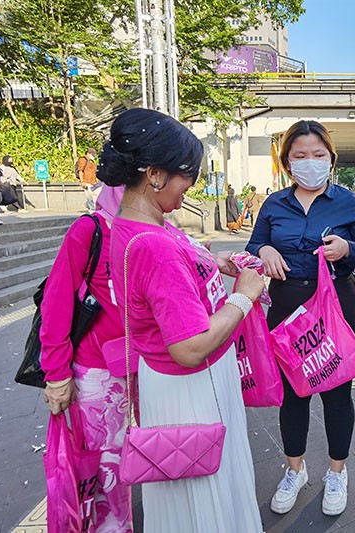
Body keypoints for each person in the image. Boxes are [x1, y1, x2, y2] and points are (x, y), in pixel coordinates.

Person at [100, 108, 265, 533]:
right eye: (186, 175)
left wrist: (212, 262)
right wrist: (244, 298)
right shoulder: (154, 244)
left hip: (180, 382)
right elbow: (189, 347)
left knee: (194, 493)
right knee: (204, 496)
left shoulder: (142, 224)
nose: (190, 186)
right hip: (191, 386)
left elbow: (168, 281)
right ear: (154, 174)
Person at [246, 120, 355, 518]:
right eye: (300, 156)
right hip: (287, 304)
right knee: (293, 393)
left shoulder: (350, 203)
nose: (310, 163)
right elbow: (255, 244)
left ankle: (337, 473)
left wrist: (347, 247)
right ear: (287, 163)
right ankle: (295, 470)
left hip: (336, 303)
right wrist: (265, 249)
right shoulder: (274, 204)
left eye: (318, 155)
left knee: (337, 392)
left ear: (331, 158)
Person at [39, 185, 131, 531]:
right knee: (106, 478)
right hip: (98, 376)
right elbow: (57, 300)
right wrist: (57, 373)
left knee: (141, 462)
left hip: (145, 370)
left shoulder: (158, 229)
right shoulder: (91, 229)